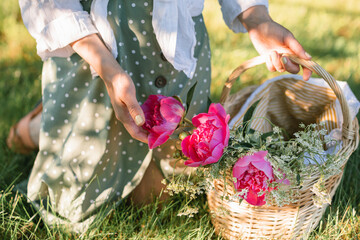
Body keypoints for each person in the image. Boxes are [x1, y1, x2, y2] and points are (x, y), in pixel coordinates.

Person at [9, 0, 311, 233]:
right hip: (97, 51)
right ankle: (36, 129)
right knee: (81, 204)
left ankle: (47, 125)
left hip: (174, 55)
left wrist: (256, 18)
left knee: (158, 196)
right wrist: (107, 67)